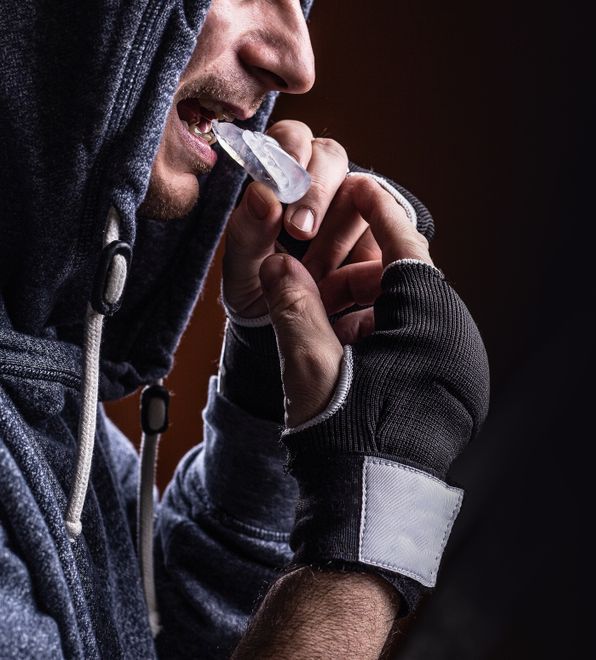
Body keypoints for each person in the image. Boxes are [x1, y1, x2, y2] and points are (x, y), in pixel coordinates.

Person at [0, 0, 489, 657]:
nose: (297, 61)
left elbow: (156, 636)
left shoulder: (43, 389)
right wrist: (370, 541)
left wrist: (269, 403)